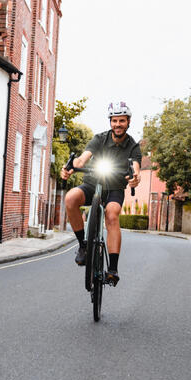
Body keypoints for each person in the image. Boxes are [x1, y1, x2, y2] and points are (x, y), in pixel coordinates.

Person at [60, 101, 142, 285]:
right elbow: (82, 159)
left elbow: (136, 168)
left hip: (114, 189)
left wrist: (135, 177)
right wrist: (71, 167)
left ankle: (112, 269)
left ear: (128, 122)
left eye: (122, 121)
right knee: (71, 198)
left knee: (112, 215)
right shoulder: (100, 139)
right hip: (92, 183)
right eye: (114, 120)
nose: (118, 124)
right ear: (110, 122)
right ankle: (83, 246)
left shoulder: (133, 146)